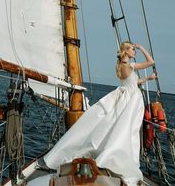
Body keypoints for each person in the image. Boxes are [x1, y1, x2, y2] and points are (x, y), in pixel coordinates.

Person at [43, 42, 156, 186]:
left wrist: (148, 79)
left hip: (124, 98)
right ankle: (116, 157)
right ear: (126, 51)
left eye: (135, 49)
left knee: (114, 126)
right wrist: (141, 47)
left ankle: (103, 151)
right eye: (133, 49)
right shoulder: (130, 66)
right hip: (131, 102)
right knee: (126, 131)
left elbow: (132, 82)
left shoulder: (122, 65)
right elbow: (151, 62)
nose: (135, 52)